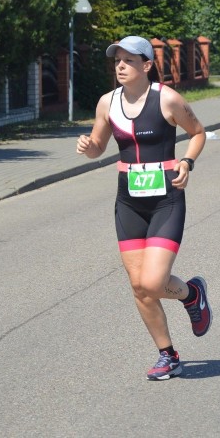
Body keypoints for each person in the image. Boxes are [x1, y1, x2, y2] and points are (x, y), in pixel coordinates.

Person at [76, 35, 211, 381]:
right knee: (139, 286)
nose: (119, 66)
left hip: (166, 199)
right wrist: (89, 145)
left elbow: (198, 132)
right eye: (117, 60)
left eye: (128, 60)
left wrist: (187, 162)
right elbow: (98, 148)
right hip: (128, 203)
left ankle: (191, 293)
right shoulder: (107, 103)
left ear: (147, 65)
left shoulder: (167, 100)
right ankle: (169, 356)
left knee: (153, 282)